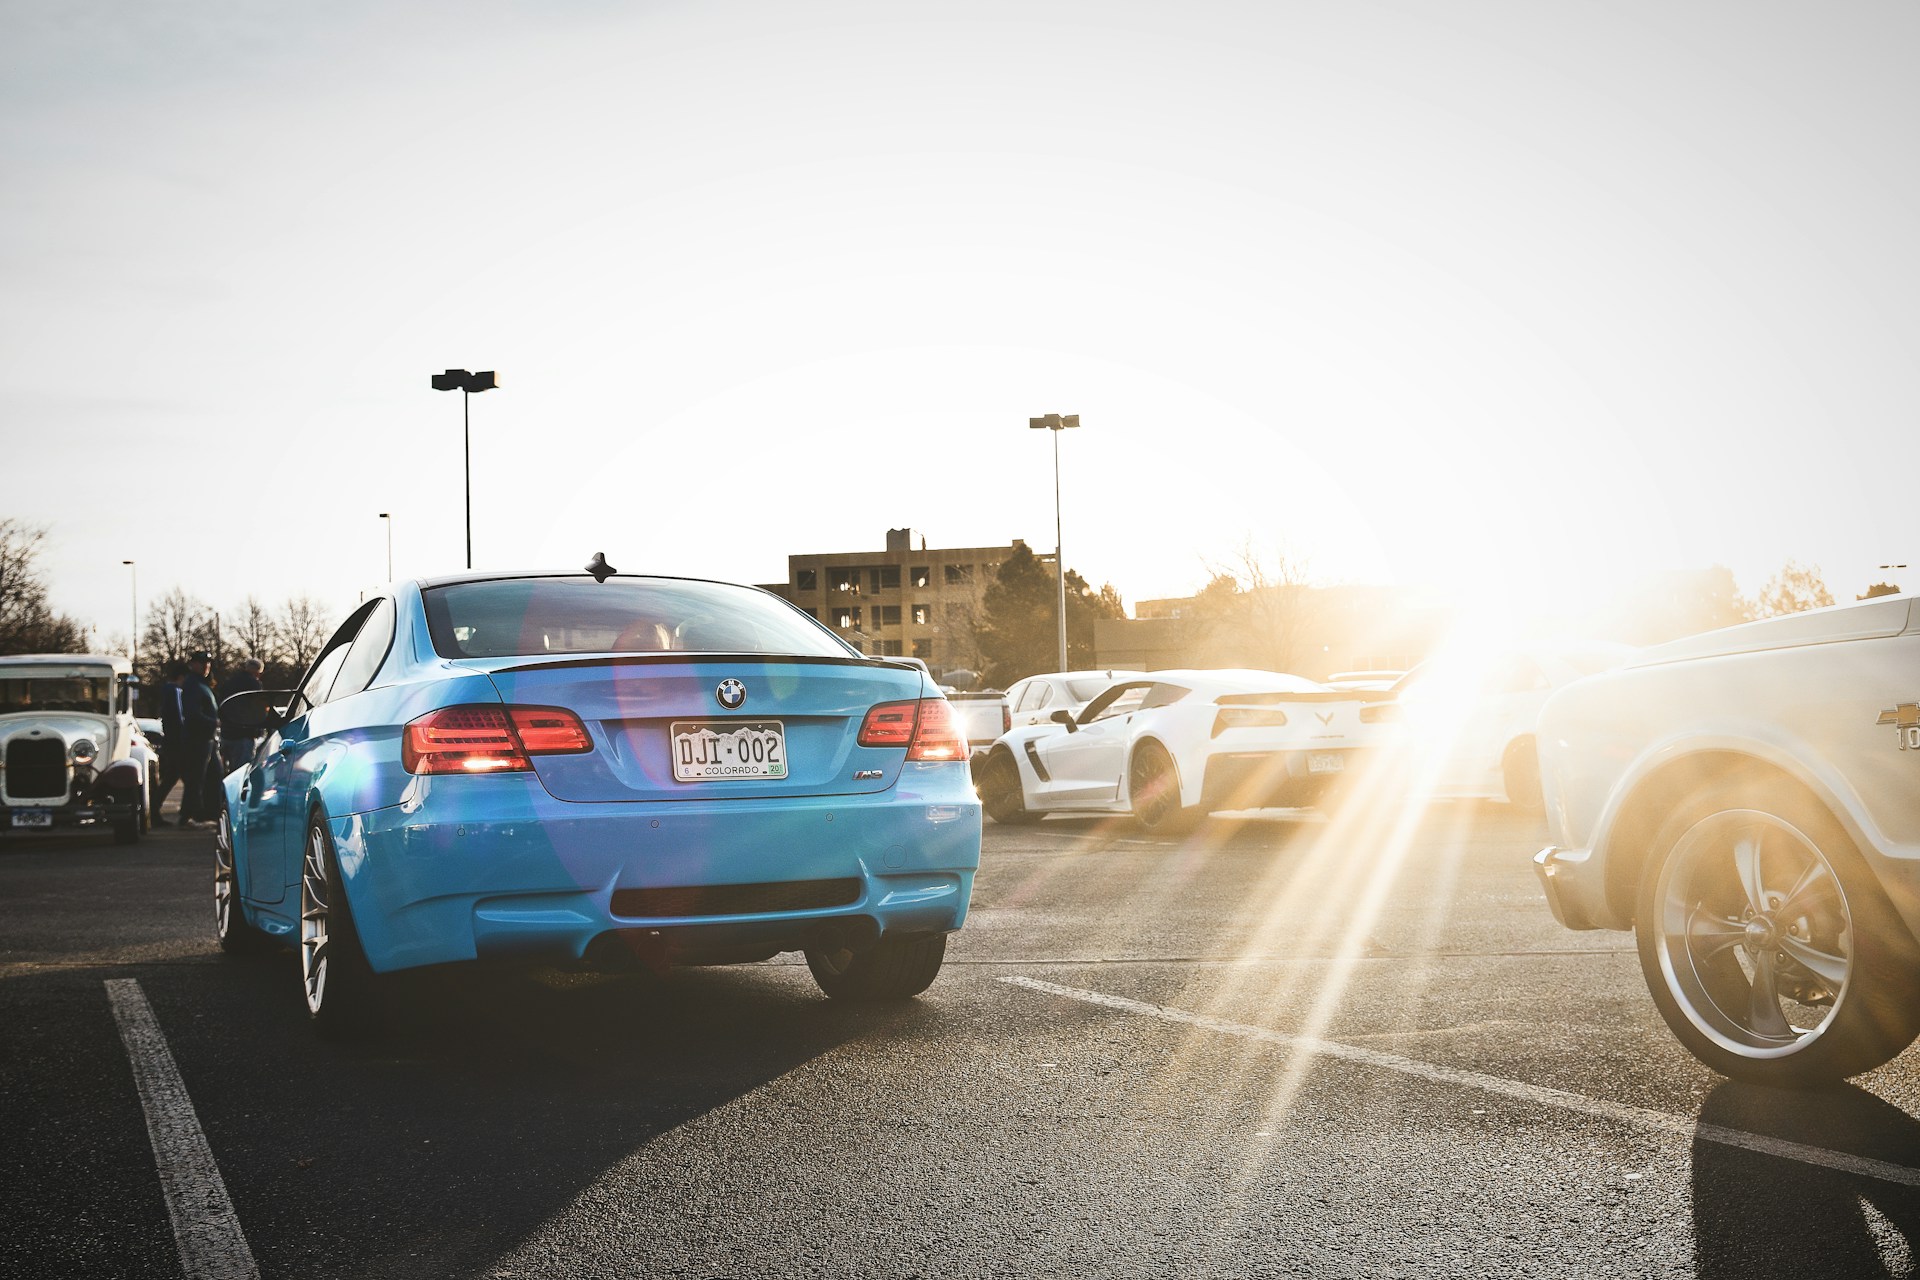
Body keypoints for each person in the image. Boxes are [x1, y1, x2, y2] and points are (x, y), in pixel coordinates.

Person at [178, 650, 221, 829]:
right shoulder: (193, 685)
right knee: (197, 779)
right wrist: (215, 722)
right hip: (198, 739)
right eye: (201, 663)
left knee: (213, 776)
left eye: (208, 663)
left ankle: (206, 814)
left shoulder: (202, 684)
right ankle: (190, 816)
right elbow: (193, 714)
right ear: (192, 664)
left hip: (207, 739)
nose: (205, 666)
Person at [151, 661, 187, 826]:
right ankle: (154, 809)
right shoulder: (175, 691)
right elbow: (179, 719)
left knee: (172, 776)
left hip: (171, 740)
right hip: (177, 741)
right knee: (174, 775)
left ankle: (154, 809)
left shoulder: (168, 690)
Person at [218, 656, 266, 773]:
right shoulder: (254, 685)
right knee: (242, 772)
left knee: (228, 772)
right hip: (244, 734)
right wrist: (260, 728)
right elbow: (259, 709)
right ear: (257, 672)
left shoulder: (229, 682)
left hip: (226, 733)